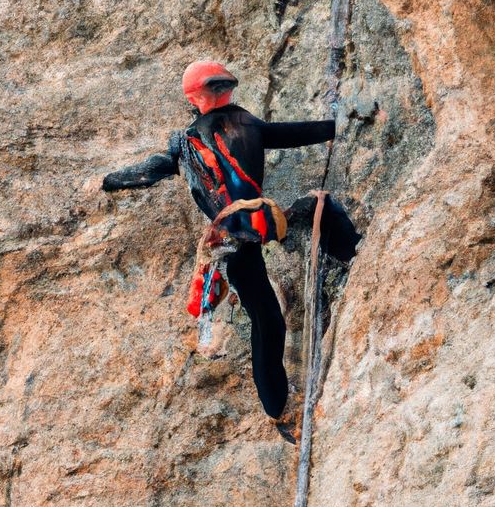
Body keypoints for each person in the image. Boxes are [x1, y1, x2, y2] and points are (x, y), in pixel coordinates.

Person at [101, 60, 338, 428]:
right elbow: (288, 134)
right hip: (242, 239)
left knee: (267, 319)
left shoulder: (188, 140)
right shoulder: (242, 124)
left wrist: (110, 181)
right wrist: (336, 127)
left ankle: (276, 408)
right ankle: (276, 409)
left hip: (235, 242)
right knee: (268, 320)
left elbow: (155, 168)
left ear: (195, 99)